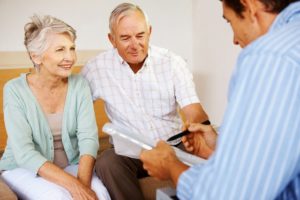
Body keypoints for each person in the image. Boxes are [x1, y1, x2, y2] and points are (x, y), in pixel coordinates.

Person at [140, 0, 300, 199]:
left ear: (249, 7)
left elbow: (228, 195)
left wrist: (171, 167)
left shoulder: (269, 57)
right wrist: (219, 149)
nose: (234, 39)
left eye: (230, 21)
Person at [81, 2, 209, 200]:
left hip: (174, 146)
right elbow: (76, 114)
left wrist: (202, 133)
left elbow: (194, 111)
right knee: (107, 162)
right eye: (125, 38)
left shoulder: (172, 62)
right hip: (130, 154)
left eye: (140, 36)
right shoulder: (95, 69)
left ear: (149, 32)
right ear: (112, 39)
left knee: (209, 155)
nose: (135, 45)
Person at [0, 15, 110, 200]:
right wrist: (74, 186)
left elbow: (88, 139)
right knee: (57, 197)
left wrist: (82, 186)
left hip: (72, 164)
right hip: (24, 168)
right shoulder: (14, 90)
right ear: (36, 56)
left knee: (99, 195)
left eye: (72, 48)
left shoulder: (79, 85)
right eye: (60, 50)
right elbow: (24, 153)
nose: (70, 57)